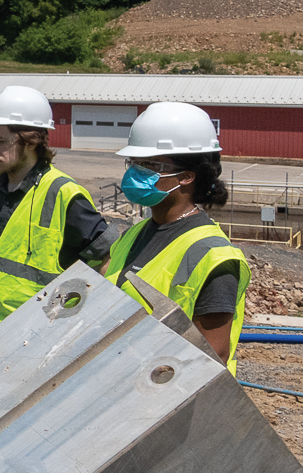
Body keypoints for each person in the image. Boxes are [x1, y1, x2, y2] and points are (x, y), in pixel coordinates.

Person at [106, 102, 252, 374]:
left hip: (174, 402)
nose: (135, 173)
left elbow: (211, 354)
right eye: (134, 163)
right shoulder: (135, 233)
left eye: (149, 165)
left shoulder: (214, 255)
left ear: (186, 176)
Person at [0, 86, 111, 339]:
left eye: (1, 141)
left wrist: (74, 322)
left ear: (31, 140)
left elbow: (107, 261)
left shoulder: (64, 193)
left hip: (38, 336)